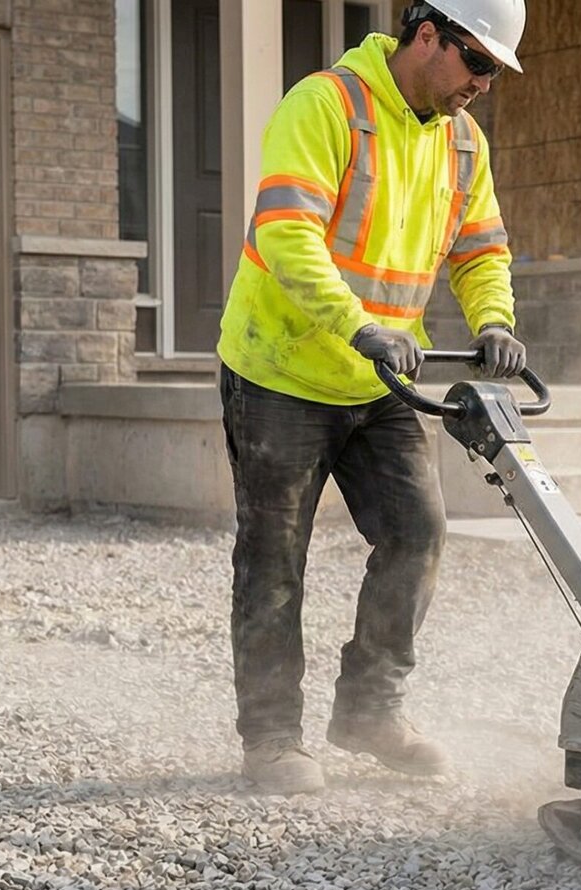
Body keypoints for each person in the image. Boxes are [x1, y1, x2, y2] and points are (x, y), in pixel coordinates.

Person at [216, 1, 529, 796]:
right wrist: (359, 327)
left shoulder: (461, 140)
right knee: (274, 557)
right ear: (428, 35)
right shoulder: (325, 106)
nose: (485, 85)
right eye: (478, 63)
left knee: (419, 534)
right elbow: (287, 234)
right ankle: (272, 739)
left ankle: (368, 710)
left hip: (378, 380)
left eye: (495, 71)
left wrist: (494, 321)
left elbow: (480, 248)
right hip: (281, 370)